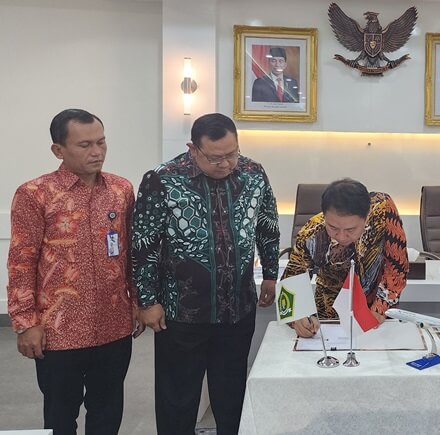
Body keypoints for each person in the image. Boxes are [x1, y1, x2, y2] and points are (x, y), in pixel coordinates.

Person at [132, 113, 280, 434]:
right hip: (181, 313)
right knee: (178, 398)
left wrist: (270, 273)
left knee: (232, 395)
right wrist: (147, 301)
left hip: (237, 309)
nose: (225, 164)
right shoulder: (162, 180)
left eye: (232, 154)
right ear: (193, 149)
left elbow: (267, 225)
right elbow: (144, 244)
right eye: (215, 158)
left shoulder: (253, 173)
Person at [7, 108, 142, 434]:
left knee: (108, 412)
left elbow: (130, 254)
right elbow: (21, 262)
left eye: (101, 142)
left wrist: (137, 302)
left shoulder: (121, 190)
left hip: (113, 326)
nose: (96, 152)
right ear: (59, 150)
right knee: (60, 415)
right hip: (58, 330)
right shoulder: (35, 194)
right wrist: (26, 324)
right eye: (85, 145)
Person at [282, 179, 409, 338]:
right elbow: (290, 284)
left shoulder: (382, 210)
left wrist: (380, 308)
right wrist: (297, 319)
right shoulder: (311, 233)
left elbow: (396, 266)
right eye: (333, 228)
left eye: (350, 229)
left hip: (378, 310)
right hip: (330, 317)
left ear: (366, 217)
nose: (341, 236)